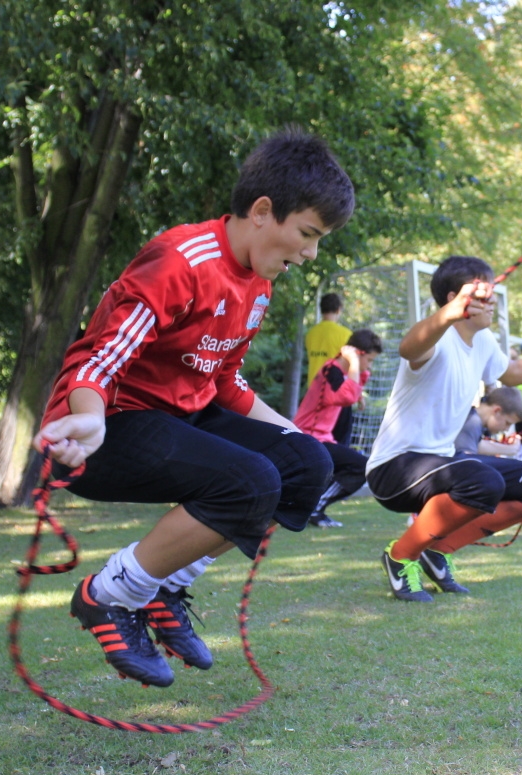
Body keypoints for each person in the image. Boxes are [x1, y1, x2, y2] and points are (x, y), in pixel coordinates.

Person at [31, 130, 353, 687]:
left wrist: (296, 435)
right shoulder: (182, 260)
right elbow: (98, 361)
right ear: (261, 211)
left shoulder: (257, 284)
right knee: (251, 481)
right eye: (306, 234)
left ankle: (164, 587)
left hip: (182, 417)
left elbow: (223, 380)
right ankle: (108, 595)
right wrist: (85, 417)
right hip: (105, 429)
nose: (310, 253)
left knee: (306, 468)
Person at [366, 255, 522, 601]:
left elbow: (516, 373)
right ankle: (400, 556)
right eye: (482, 293)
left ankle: (436, 550)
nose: (492, 299)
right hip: (395, 469)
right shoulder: (436, 338)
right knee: (484, 482)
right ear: (455, 299)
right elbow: (410, 347)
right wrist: (449, 315)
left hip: (442, 461)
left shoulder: (481, 342)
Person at [294, 329, 383, 528]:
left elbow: (348, 392)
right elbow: (345, 396)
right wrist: (354, 366)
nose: (369, 366)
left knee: (347, 465)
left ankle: (312, 508)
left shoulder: (340, 373)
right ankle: (315, 508)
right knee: (361, 466)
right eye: (369, 360)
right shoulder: (331, 370)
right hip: (309, 437)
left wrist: (358, 378)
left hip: (323, 437)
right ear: (357, 354)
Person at [304, 293, 356, 445]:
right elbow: (352, 366)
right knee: (340, 443)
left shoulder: (311, 334)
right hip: (337, 394)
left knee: (316, 441)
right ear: (339, 309)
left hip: (314, 393)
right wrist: (357, 395)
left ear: (321, 310)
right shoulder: (345, 334)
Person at [455, 386, 522, 457]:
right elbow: (467, 461)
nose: (507, 429)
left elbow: (477, 445)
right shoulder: (472, 423)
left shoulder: (473, 419)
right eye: (507, 423)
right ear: (497, 411)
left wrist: (511, 449)